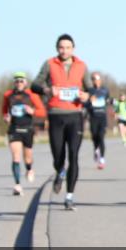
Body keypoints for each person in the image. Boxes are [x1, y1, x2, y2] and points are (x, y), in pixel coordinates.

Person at [31, 34, 94, 210]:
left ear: (73, 48)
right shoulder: (49, 64)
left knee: (73, 155)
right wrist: (47, 89)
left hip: (75, 115)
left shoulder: (81, 66)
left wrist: (86, 95)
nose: (64, 50)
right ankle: (60, 171)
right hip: (56, 114)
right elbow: (34, 85)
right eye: (61, 47)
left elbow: (90, 89)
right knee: (58, 155)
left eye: (67, 47)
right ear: (57, 48)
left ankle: (69, 196)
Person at [1, 72, 43, 195]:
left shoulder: (32, 95)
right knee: (15, 155)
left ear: (25, 82)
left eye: (21, 81)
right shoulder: (8, 95)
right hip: (14, 128)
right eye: (17, 81)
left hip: (28, 129)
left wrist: (32, 111)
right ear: (14, 82)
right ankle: (17, 185)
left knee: (28, 157)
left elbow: (42, 111)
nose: (19, 83)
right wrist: (6, 117)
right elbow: (4, 110)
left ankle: (29, 169)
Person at [86, 72, 111, 169]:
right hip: (93, 117)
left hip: (102, 117)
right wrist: (89, 101)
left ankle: (102, 159)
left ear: (100, 80)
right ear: (92, 81)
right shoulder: (89, 90)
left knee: (101, 137)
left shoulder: (105, 90)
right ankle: (96, 150)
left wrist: (110, 101)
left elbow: (108, 100)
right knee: (95, 137)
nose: (96, 81)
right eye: (94, 79)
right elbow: (85, 103)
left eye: (97, 79)